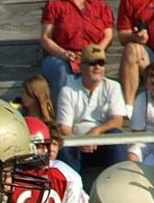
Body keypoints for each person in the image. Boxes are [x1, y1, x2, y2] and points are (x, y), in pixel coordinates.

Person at [39, 0, 114, 101]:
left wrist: (93, 53)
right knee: (63, 72)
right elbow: (45, 37)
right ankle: (63, 116)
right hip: (59, 57)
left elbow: (108, 35)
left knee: (93, 69)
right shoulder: (55, 6)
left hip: (90, 55)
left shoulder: (100, 6)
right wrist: (63, 53)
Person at [55, 43, 128, 176]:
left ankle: (119, 181)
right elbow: (64, 128)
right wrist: (80, 142)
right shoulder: (68, 90)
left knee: (116, 135)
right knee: (64, 145)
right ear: (81, 66)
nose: (97, 67)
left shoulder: (113, 87)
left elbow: (117, 121)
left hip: (103, 143)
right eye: (92, 63)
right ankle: (72, 188)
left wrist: (96, 131)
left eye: (101, 63)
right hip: (76, 145)